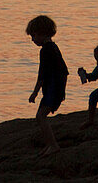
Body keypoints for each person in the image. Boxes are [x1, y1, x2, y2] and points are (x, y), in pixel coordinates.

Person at [26, 15, 68, 154]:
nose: (32, 39)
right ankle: (49, 144)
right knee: (40, 116)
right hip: (55, 88)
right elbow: (64, 71)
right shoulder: (53, 47)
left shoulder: (46, 50)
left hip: (52, 89)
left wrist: (35, 93)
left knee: (40, 117)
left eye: (34, 35)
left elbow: (42, 75)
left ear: (43, 33)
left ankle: (53, 145)